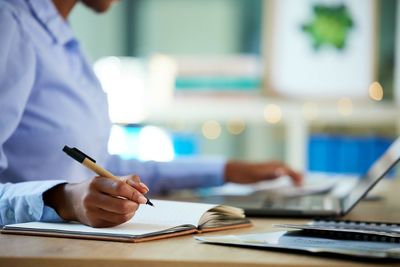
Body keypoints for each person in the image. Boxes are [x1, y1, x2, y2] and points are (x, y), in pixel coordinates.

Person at [0, 0, 302, 227]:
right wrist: (62, 199)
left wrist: (226, 170)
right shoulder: (9, 23)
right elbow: (76, 183)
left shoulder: (60, 38)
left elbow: (97, 165)